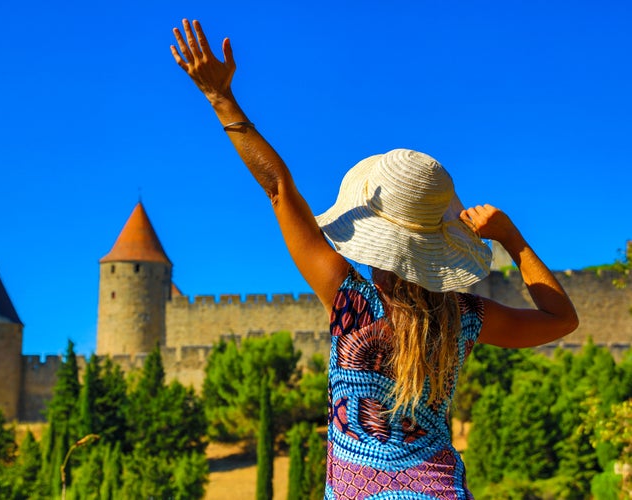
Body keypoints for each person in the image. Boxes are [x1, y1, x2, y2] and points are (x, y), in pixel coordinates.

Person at [171, 19, 579, 499]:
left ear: (373, 237)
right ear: (439, 246)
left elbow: (279, 188)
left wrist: (222, 99)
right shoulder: (464, 319)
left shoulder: (351, 305)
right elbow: (561, 320)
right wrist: (511, 238)